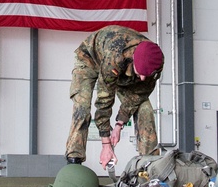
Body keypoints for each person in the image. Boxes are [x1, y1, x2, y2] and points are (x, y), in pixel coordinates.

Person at [65, 24, 164, 168]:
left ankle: (148, 164)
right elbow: (104, 100)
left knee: (145, 108)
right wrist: (106, 143)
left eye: (146, 75)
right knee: (82, 107)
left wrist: (119, 125)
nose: (143, 78)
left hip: (124, 72)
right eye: (140, 73)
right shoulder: (116, 56)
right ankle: (74, 159)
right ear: (133, 59)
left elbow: (137, 96)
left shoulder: (156, 62)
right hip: (89, 59)